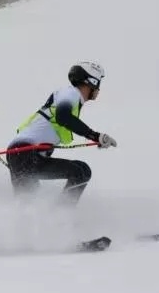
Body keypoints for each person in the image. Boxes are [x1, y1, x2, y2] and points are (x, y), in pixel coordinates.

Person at [6, 61, 118, 204]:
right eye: (98, 84)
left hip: (22, 155)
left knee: (30, 202)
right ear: (91, 81)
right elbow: (63, 116)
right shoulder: (71, 93)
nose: (98, 90)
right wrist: (95, 136)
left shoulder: (70, 98)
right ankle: (63, 212)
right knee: (80, 171)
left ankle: (54, 216)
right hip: (25, 154)